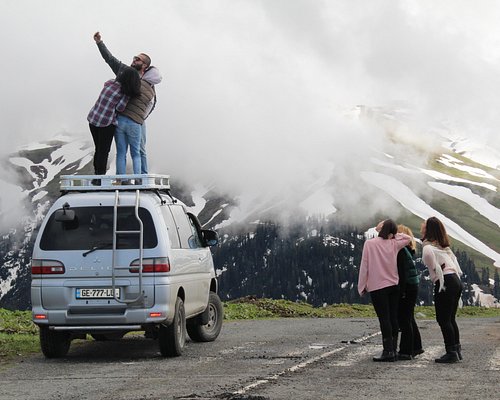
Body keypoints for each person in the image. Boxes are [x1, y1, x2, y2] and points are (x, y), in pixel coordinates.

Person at [93, 31, 159, 176]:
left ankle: (137, 177)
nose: (134, 60)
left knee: (136, 151)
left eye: (138, 59)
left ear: (145, 65)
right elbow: (109, 59)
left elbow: (152, 104)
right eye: (134, 58)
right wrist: (100, 43)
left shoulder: (149, 82)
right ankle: (138, 179)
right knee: (133, 152)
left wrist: (141, 118)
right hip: (128, 119)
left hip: (134, 119)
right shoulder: (125, 71)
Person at [358, 219, 411, 362]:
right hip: (393, 285)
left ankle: (387, 351)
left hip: (377, 286)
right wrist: (394, 233)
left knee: (384, 318)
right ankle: (393, 349)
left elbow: (365, 266)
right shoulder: (394, 244)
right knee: (393, 317)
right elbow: (408, 238)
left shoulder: (369, 244)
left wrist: (362, 286)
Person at [421, 216, 463, 363]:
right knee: (450, 318)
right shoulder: (443, 247)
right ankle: (456, 349)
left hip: (444, 281)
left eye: (424, 225)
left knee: (443, 319)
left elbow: (429, 260)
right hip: (455, 280)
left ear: (428, 229)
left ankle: (451, 352)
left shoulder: (428, 247)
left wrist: (435, 269)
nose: (421, 226)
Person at [87, 67, 141, 178]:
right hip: (106, 123)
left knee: (98, 148)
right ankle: (99, 177)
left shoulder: (110, 82)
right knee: (104, 150)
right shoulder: (124, 92)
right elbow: (120, 108)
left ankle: (96, 174)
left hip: (93, 118)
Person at [395, 225, 423, 360]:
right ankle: (416, 347)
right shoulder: (408, 250)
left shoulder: (401, 250)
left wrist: (402, 289)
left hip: (408, 286)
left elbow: (403, 272)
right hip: (412, 285)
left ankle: (406, 350)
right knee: (409, 317)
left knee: (404, 318)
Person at [140, 66, 162, 174]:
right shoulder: (151, 88)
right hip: (140, 120)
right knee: (140, 149)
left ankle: (142, 174)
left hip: (136, 120)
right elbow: (152, 105)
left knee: (126, 149)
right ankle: (142, 174)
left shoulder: (145, 85)